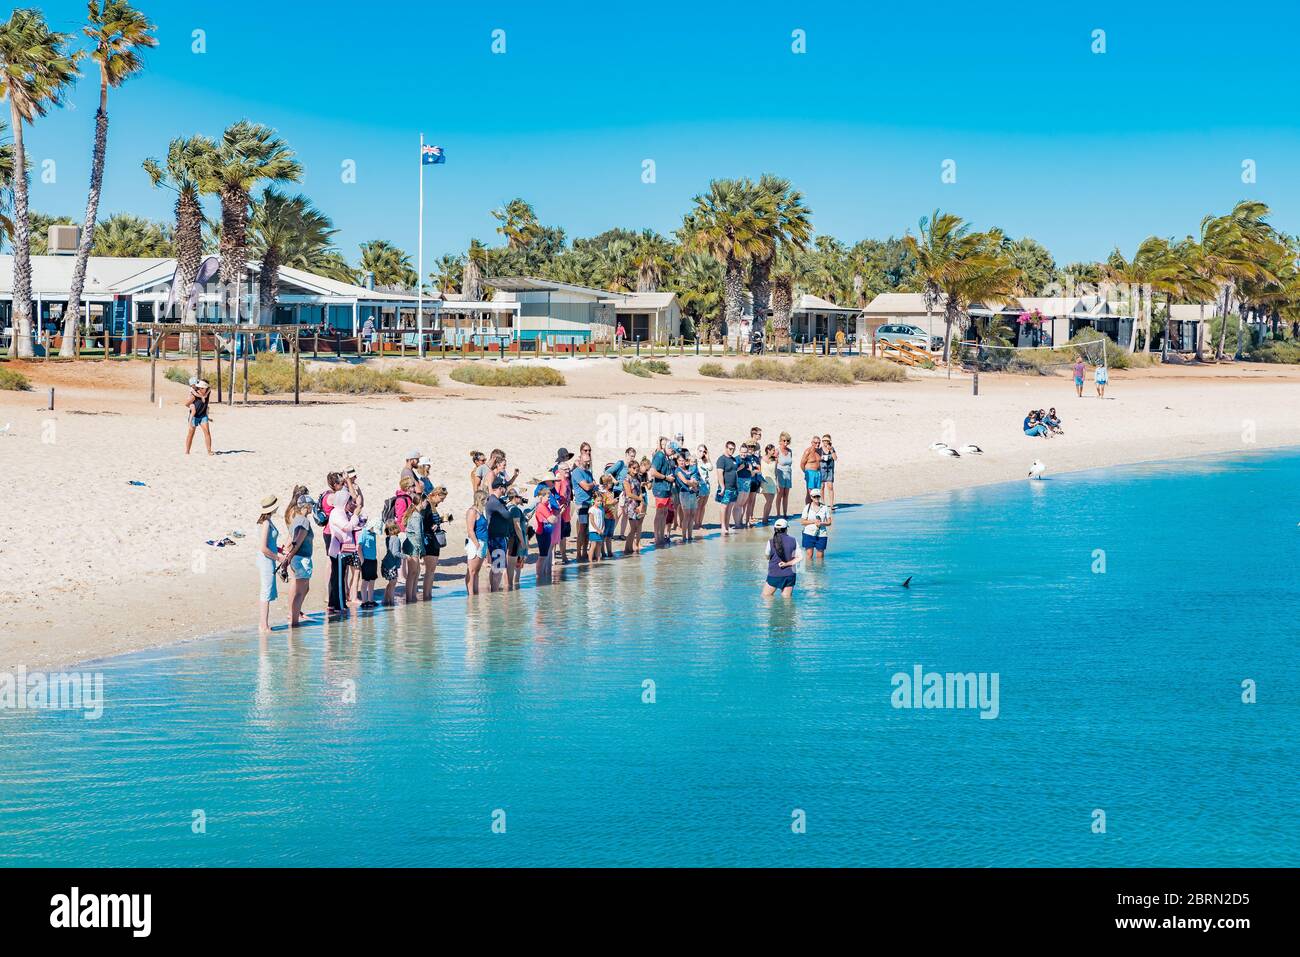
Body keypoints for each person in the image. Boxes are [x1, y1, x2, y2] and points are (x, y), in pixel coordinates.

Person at [279, 490, 314, 627]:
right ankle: (294, 622)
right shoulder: (304, 521)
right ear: (306, 506)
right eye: (311, 505)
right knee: (300, 592)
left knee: (303, 590)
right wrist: (287, 560)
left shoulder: (296, 520)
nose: (312, 508)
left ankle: (294, 616)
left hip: (296, 559)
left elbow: (289, 542)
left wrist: (287, 559)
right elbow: (297, 542)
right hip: (302, 559)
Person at [327, 487, 363, 616]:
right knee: (339, 579)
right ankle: (339, 605)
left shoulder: (341, 512)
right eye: (349, 502)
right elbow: (347, 527)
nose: (351, 504)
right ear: (343, 501)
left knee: (337, 577)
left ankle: (333, 604)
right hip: (338, 551)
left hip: (340, 550)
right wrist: (355, 516)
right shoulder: (337, 513)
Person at [255, 495, 281, 633]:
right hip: (266, 560)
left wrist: (279, 549)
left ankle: (264, 624)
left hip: (267, 558)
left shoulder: (266, 521)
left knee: (267, 590)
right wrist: (278, 558)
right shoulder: (265, 523)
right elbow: (263, 548)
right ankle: (263, 625)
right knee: (266, 590)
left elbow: (269, 544)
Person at [484, 480, 515, 592]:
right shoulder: (495, 501)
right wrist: (511, 506)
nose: (505, 489)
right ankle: (495, 594)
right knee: (499, 568)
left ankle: (493, 591)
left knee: (494, 567)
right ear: (500, 488)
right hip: (498, 538)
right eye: (504, 487)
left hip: (495, 537)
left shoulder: (494, 500)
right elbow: (507, 515)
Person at [531, 475, 562, 584]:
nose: (549, 499)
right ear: (542, 497)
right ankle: (539, 576)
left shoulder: (546, 506)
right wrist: (554, 517)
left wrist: (554, 517)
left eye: (549, 496)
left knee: (544, 555)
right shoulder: (541, 506)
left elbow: (553, 518)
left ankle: (544, 576)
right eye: (547, 497)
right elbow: (553, 519)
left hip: (546, 533)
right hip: (542, 533)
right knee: (542, 556)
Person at [762, 518, 803, 597]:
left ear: (775, 529)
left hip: (774, 574)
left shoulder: (770, 541)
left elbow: (767, 555)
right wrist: (787, 564)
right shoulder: (793, 540)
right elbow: (800, 557)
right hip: (790, 575)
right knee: (787, 600)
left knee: (766, 596)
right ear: (786, 529)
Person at [421, 485, 447, 599]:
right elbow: (423, 522)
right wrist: (433, 526)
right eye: (441, 499)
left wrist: (441, 520)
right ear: (436, 495)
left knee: (431, 570)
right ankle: (427, 595)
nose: (442, 501)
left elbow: (429, 521)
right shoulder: (427, 505)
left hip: (433, 540)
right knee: (430, 570)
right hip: (430, 540)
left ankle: (428, 594)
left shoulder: (432, 505)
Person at [570, 444, 596, 562]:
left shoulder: (588, 472)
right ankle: (579, 554)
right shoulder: (577, 471)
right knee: (581, 529)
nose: (588, 452)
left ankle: (585, 552)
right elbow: (586, 486)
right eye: (585, 451)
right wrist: (593, 484)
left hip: (589, 502)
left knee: (587, 530)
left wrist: (594, 486)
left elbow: (591, 486)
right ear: (581, 454)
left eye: (589, 450)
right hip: (582, 504)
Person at [401, 489, 427, 602]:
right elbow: (418, 534)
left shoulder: (416, 514)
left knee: (415, 572)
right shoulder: (416, 516)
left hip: (412, 545)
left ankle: (412, 596)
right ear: (421, 502)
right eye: (425, 501)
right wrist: (422, 549)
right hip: (412, 546)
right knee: (412, 572)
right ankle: (409, 597)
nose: (427, 503)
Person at [649, 437, 675, 547]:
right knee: (659, 514)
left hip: (667, 489)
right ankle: (657, 537)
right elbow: (653, 472)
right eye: (672, 450)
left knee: (664, 513)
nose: (673, 452)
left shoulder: (667, 456)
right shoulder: (659, 455)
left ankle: (661, 535)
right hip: (660, 489)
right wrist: (666, 478)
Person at [465, 489, 489, 595]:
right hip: (476, 543)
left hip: (483, 542)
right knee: (472, 571)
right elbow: (470, 530)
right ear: (480, 499)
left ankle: (475, 593)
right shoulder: (472, 511)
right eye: (485, 499)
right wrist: (477, 544)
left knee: (477, 572)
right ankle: (470, 594)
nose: (486, 502)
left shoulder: (481, 511)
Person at [505, 487, 529, 589]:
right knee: (514, 566)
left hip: (510, 538)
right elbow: (517, 526)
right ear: (515, 497)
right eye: (520, 496)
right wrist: (523, 542)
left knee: (511, 565)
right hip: (515, 539)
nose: (522, 498)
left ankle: (510, 586)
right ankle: (512, 588)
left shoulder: (507, 507)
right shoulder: (514, 509)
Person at [674, 451, 700, 543]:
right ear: (677, 461)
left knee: (692, 514)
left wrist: (695, 483)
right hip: (684, 493)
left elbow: (697, 479)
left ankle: (690, 536)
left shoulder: (689, 469)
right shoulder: (678, 470)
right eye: (680, 460)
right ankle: (684, 536)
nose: (682, 462)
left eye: (683, 460)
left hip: (692, 493)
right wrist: (694, 484)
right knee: (686, 515)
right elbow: (685, 481)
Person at [801, 489, 831, 564]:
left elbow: (829, 522)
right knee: (809, 555)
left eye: (818, 496)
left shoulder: (825, 508)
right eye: (814, 496)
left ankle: (819, 574)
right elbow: (802, 522)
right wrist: (814, 521)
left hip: (821, 534)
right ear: (811, 497)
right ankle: (809, 573)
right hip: (808, 534)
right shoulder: (807, 507)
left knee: (820, 557)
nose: (816, 498)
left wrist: (821, 523)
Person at [715, 440, 740, 535]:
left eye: (733, 449)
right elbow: (719, 473)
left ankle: (727, 525)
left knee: (730, 507)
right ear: (726, 448)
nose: (732, 451)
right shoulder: (721, 459)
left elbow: (735, 471)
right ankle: (722, 527)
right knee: (724, 506)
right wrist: (722, 487)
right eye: (730, 449)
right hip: (726, 487)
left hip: (734, 487)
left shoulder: (733, 459)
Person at [622, 460, 646, 555]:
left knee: (635, 528)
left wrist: (641, 503)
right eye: (634, 468)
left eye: (637, 468)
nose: (636, 469)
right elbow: (628, 493)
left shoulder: (638, 477)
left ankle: (630, 548)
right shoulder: (626, 478)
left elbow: (639, 490)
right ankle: (627, 549)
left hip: (636, 504)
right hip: (630, 504)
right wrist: (639, 498)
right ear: (629, 468)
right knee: (633, 528)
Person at [184, 379, 213, 455]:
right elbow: (186, 404)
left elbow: (210, 388)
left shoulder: (207, 393)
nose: (201, 389)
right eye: (200, 388)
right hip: (194, 417)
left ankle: (209, 451)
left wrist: (205, 394)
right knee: (191, 433)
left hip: (203, 415)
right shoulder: (194, 395)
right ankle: (187, 451)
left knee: (207, 432)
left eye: (203, 388)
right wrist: (191, 406)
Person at [775, 432, 794, 520]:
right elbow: (774, 464)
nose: (786, 442)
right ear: (780, 441)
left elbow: (790, 463)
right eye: (784, 440)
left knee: (786, 494)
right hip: (780, 473)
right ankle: (778, 514)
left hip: (788, 473)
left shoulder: (790, 451)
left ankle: (785, 513)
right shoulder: (777, 451)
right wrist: (775, 478)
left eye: (787, 440)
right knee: (780, 494)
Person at [694, 445, 713, 531]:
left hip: (706, 485)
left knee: (703, 506)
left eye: (704, 451)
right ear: (697, 451)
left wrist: (708, 458)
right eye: (700, 451)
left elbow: (711, 468)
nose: (702, 453)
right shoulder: (695, 460)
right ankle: (696, 524)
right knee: (698, 505)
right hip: (699, 485)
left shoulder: (705, 461)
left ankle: (700, 523)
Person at [800, 435, 823, 505]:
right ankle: (808, 508)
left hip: (818, 473)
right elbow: (802, 464)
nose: (817, 444)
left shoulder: (819, 451)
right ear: (812, 443)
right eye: (815, 443)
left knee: (817, 491)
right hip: (810, 473)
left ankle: (815, 507)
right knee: (810, 492)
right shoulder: (808, 451)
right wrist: (806, 473)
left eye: (819, 443)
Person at [759, 444, 779, 525]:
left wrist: (777, 484)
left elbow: (776, 472)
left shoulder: (775, 460)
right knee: (768, 500)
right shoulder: (761, 459)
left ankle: (766, 519)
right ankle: (764, 518)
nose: (774, 452)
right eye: (773, 450)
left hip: (773, 482)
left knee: (770, 502)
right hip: (764, 482)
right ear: (768, 450)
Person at [820, 434, 838, 510]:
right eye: (824, 441)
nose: (825, 442)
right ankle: (823, 503)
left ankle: (831, 504)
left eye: (827, 441)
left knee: (830, 486)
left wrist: (831, 450)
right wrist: (821, 458)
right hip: (821, 470)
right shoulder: (820, 449)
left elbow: (835, 458)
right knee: (822, 487)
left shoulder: (832, 449)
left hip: (830, 470)